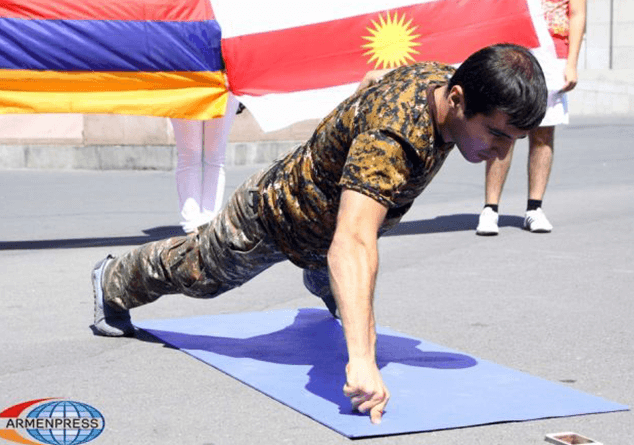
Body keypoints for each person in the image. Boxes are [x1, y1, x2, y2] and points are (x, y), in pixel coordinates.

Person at [91, 44, 547, 424]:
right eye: (496, 135)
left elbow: (378, 78)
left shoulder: (444, 79)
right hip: (274, 216)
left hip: (329, 223)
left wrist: (366, 90)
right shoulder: (392, 140)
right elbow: (352, 242)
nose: (501, 152)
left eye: (513, 141)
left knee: (343, 268)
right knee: (200, 275)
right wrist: (363, 362)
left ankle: (321, 275)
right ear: (459, 100)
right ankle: (112, 280)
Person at [475, 0, 587, 235]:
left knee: (543, 133)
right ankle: (490, 209)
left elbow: (576, 14)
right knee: (503, 128)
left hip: (552, 55)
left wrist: (572, 64)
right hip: (512, 51)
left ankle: (534, 209)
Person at [171, 94, 241, 233]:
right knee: (195, 156)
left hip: (220, 86)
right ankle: (194, 224)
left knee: (208, 157)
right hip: (189, 84)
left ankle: (207, 222)